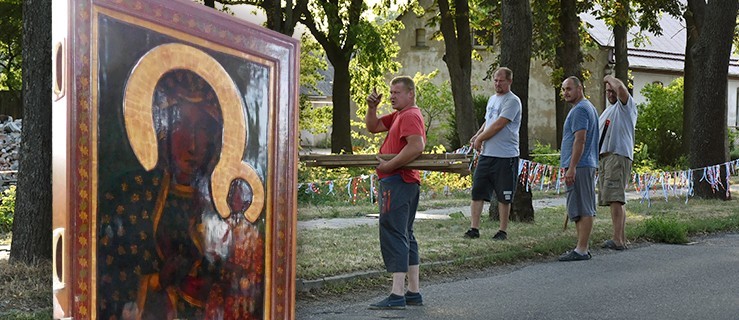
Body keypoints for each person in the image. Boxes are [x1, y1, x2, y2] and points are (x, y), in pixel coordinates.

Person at [98, 70, 264, 319]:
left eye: (203, 129)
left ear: (216, 136)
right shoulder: (132, 194)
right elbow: (106, 276)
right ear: (161, 130)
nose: (193, 144)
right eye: (181, 126)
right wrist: (156, 281)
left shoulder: (228, 198)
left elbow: (245, 279)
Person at [365, 76, 426, 309]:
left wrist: (389, 166)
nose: (391, 96)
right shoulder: (400, 115)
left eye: (396, 92)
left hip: (398, 181)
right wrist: (372, 108)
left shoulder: (410, 115)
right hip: (404, 182)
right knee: (405, 234)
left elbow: (417, 145)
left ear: (410, 94)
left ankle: (397, 295)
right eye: (390, 92)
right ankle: (413, 292)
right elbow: (373, 127)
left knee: (393, 233)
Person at [464, 67, 522, 240]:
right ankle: (474, 228)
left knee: (504, 194)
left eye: (501, 80)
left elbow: (499, 124)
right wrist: (477, 135)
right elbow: (488, 121)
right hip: (487, 154)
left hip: (505, 156)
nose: (497, 84)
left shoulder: (512, 101)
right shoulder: (492, 99)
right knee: (478, 191)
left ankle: (502, 230)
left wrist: (480, 139)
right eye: (495, 80)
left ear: (509, 81)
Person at [558, 76, 599, 262]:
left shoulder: (581, 110)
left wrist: (572, 167)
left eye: (569, 89)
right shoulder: (586, 107)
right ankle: (582, 247)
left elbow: (580, 140)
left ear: (580, 88)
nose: (565, 93)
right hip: (583, 164)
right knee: (579, 206)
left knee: (583, 208)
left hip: (580, 166)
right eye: (564, 89)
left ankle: (581, 249)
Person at [599, 75, 638, 250]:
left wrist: (608, 77)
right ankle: (620, 239)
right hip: (606, 157)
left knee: (615, 197)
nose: (611, 93)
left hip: (618, 155)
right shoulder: (607, 111)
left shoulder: (626, 106)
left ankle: (617, 239)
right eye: (608, 91)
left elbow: (621, 89)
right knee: (615, 198)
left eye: (613, 90)